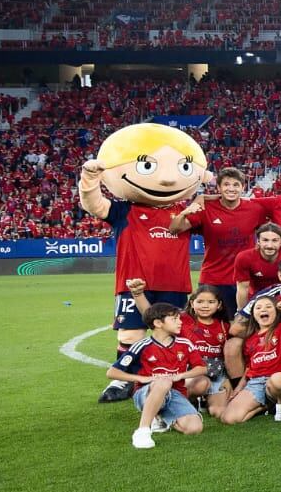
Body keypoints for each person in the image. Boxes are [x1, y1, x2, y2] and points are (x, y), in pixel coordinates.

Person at [77, 150, 196, 404]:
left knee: (174, 333)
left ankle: (174, 377)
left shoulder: (186, 212)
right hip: (133, 284)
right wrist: (89, 178)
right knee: (130, 335)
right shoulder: (124, 211)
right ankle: (123, 378)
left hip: (174, 285)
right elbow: (94, 204)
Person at [106, 302, 205, 449]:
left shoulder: (185, 344)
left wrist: (180, 375)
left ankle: (161, 417)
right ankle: (143, 431)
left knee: (194, 428)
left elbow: (201, 369)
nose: (180, 322)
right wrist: (141, 379)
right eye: (175, 319)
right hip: (146, 393)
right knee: (163, 382)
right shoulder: (142, 345)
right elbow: (112, 372)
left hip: (175, 394)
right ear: (158, 323)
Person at [170, 167, 267, 317]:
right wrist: (185, 211)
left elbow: (265, 235)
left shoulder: (255, 209)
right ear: (219, 188)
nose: (231, 188)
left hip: (243, 280)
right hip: (213, 278)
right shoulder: (205, 208)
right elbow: (175, 229)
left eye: (236, 185)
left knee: (242, 326)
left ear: (243, 187)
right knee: (208, 325)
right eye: (226, 184)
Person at [126, 280, 228, 412]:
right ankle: (182, 401)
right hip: (187, 373)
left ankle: (203, 400)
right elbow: (152, 314)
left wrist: (228, 380)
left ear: (219, 305)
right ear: (192, 303)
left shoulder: (224, 326)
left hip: (216, 373)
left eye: (211, 302)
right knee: (201, 384)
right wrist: (138, 294)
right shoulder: (182, 319)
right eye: (200, 301)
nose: (205, 306)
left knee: (218, 412)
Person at [220, 294, 281, 424]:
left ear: (276, 312)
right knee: (229, 419)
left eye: (268, 307)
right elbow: (249, 368)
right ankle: (265, 406)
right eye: (258, 308)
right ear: (253, 315)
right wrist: (239, 388)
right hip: (256, 383)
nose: (263, 310)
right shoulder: (250, 339)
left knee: (278, 380)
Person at [233, 223, 281, 311]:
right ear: (258, 241)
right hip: (256, 300)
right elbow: (242, 289)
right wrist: (241, 312)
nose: (269, 245)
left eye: (275, 240)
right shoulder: (244, 257)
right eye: (265, 240)